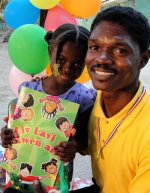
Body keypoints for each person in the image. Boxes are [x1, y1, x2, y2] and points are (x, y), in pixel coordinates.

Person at [1, 23, 96, 193]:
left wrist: (75, 146)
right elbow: (17, 129)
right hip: (20, 177)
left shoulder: (84, 98)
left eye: (77, 64)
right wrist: (7, 134)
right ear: (50, 52)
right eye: (61, 61)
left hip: (56, 180)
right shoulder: (29, 90)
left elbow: (86, 140)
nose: (67, 69)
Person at [69, 5, 150, 193]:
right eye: (95, 48)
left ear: (143, 59)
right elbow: (89, 145)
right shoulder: (93, 101)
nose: (102, 59)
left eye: (120, 51)